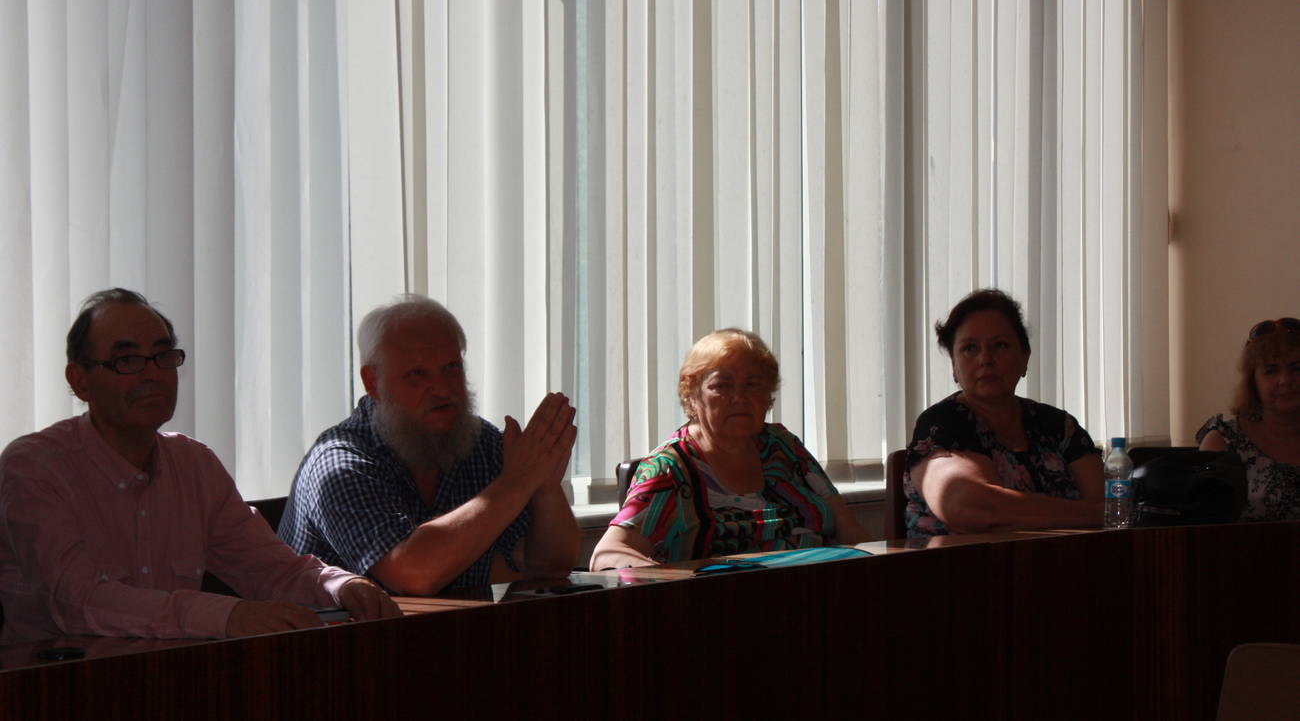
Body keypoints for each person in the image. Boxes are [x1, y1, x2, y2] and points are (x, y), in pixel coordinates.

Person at [0, 288, 398, 644]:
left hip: (174, 671)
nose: (153, 374)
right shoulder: (35, 468)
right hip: (51, 682)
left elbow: (269, 568)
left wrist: (342, 585)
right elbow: (75, 601)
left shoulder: (193, 464)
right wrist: (225, 615)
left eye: (163, 356)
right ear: (79, 380)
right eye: (127, 360)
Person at [279, 295, 580, 595]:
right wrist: (517, 482)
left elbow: (550, 566)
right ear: (373, 382)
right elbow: (413, 574)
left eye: (451, 368)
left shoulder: (480, 443)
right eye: (417, 374)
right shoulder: (339, 464)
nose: (442, 389)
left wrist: (544, 488)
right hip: (349, 628)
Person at [590, 329, 869, 569]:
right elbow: (609, 553)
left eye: (752, 384)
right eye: (721, 386)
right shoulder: (670, 468)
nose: (739, 397)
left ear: (768, 395)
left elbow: (846, 525)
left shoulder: (783, 445)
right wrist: (670, 584)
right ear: (692, 397)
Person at [904, 289, 1103, 537]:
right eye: (970, 348)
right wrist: (1090, 516)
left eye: (1000, 345)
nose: (985, 359)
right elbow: (975, 510)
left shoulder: (1058, 425)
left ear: (1024, 356)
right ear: (954, 365)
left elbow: (1108, 504)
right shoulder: (940, 424)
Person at [1195, 317, 1300, 521]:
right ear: (1253, 383)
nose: (1285, 380)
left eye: (1297, 368)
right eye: (1271, 371)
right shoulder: (1224, 442)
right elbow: (1205, 530)